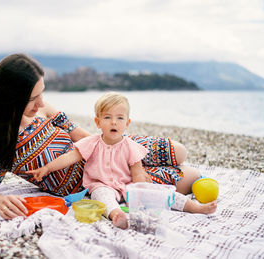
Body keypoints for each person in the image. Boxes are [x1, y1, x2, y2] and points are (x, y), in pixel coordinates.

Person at [0, 53, 215, 220]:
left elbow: (80, 134)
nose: (42, 103)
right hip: (95, 182)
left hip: (111, 146)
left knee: (179, 151)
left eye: (42, 94)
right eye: (33, 98)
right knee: (188, 178)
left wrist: (116, 149)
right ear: (10, 98)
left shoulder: (43, 110)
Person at [27, 92, 217, 229]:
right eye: (107, 117)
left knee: (163, 193)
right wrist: (48, 168)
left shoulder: (131, 146)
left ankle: (194, 207)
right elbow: (70, 157)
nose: (113, 122)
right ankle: (115, 214)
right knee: (101, 196)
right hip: (101, 184)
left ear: (127, 123)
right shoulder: (91, 142)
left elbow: (137, 172)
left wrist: (144, 189)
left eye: (119, 118)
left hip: (127, 185)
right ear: (97, 122)